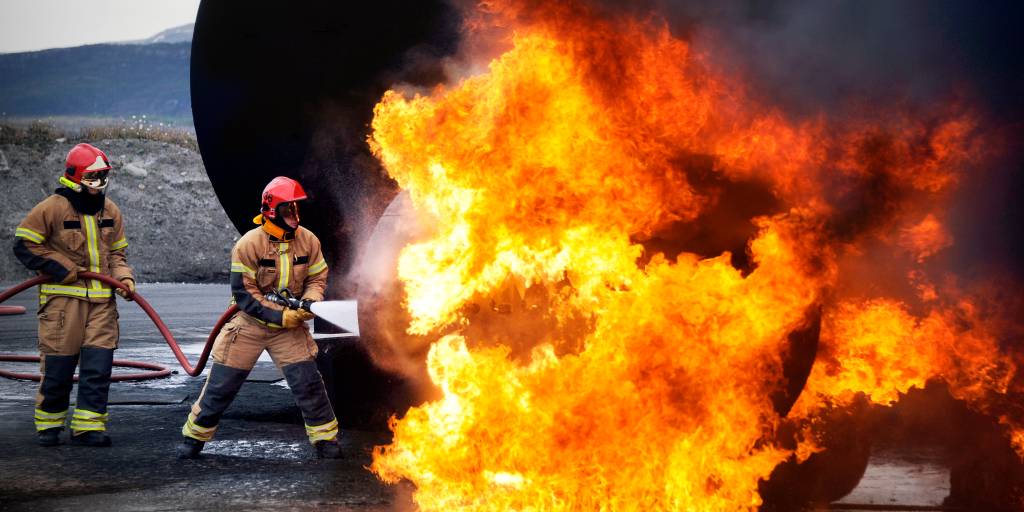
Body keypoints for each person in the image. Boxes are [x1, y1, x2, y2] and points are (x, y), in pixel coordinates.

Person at [176, 176, 340, 459]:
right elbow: (245, 296)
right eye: (289, 209)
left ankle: (325, 440)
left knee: (308, 383)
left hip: (289, 329)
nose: (295, 215)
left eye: (297, 209)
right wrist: (283, 317)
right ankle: (194, 437)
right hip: (248, 324)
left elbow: (317, 278)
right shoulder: (248, 245)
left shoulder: (308, 240)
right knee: (221, 386)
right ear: (272, 210)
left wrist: (312, 300)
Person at [13, 142, 135, 447]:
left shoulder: (110, 211)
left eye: (103, 177)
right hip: (63, 305)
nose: (99, 184)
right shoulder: (52, 208)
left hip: (102, 305)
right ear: (75, 177)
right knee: (58, 369)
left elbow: (118, 255)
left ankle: (88, 427)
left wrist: (124, 280)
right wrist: (64, 268)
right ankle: (49, 425)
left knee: (98, 367)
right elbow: (24, 245)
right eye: (93, 177)